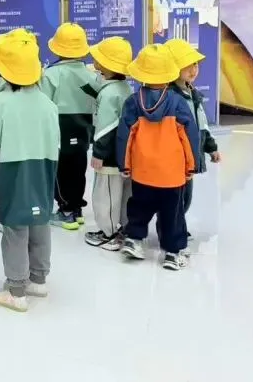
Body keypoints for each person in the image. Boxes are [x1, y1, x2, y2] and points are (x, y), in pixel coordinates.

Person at [0, 30, 60, 313]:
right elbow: (56, 146)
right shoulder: (49, 105)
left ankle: (16, 290)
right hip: (44, 171)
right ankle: (39, 279)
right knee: (40, 223)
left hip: (12, 174)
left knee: (15, 229)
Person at [117, 45, 199, 271]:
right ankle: (173, 253)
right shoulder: (177, 102)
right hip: (172, 174)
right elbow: (189, 136)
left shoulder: (133, 102)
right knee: (173, 214)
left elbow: (124, 135)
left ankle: (134, 240)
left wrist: (124, 164)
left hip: (142, 171)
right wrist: (191, 166)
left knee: (139, 207)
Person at [40, 23, 101, 230]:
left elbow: (44, 104)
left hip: (60, 129)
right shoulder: (90, 74)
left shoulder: (50, 74)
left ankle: (66, 212)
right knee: (78, 169)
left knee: (60, 172)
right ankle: (76, 209)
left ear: (57, 48)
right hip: (84, 129)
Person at [82, 36, 134, 250]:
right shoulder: (124, 88)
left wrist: (99, 153)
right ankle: (122, 228)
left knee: (106, 195)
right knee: (124, 195)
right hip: (124, 153)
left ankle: (109, 233)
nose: (94, 60)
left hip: (110, 157)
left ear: (106, 65)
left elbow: (105, 127)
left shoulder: (109, 94)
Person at [164, 38, 221, 226]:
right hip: (175, 158)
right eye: (187, 65)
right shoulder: (169, 97)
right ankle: (171, 229)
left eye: (195, 64)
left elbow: (201, 125)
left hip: (189, 159)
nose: (193, 69)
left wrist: (211, 148)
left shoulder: (192, 94)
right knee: (174, 196)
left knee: (185, 197)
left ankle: (175, 225)